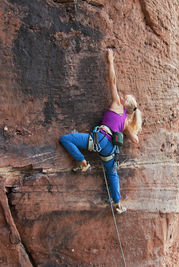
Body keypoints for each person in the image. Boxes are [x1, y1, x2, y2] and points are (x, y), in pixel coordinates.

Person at [60, 49, 142, 214]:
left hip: (98, 140)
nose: (121, 96)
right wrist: (132, 130)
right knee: (112, 175)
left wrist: (110, 61)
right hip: (109, 149)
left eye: (124, 97)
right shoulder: (126, 121)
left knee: (66, 139)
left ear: (124, 102)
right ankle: (118, 204)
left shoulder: (117, 104)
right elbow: (135, 140)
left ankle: (83, 163)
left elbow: (112, 81)